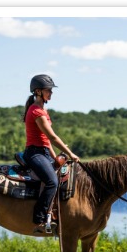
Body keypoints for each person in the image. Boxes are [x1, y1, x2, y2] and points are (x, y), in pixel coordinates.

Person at [23, 74, 79, 233]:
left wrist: (56, 158)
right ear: (38, 91)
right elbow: (52, 137)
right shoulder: (36, 112)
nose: (51, 93)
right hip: (34, 154)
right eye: (49, 90)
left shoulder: (43, 110)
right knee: (52, 182)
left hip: (44, 152)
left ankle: (56, 216)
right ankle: (39, 220)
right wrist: (71, 153)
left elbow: (47, 142)